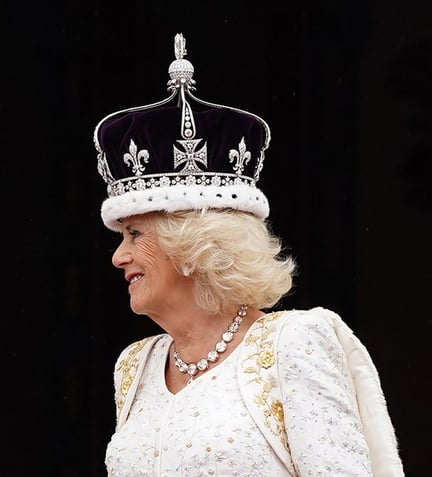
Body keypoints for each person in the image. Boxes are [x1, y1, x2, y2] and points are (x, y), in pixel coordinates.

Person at [92, 33, 403, 476]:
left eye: (134, 233)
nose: (118, 257)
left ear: (193, 245)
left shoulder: (293, 343)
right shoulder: (134, 367)